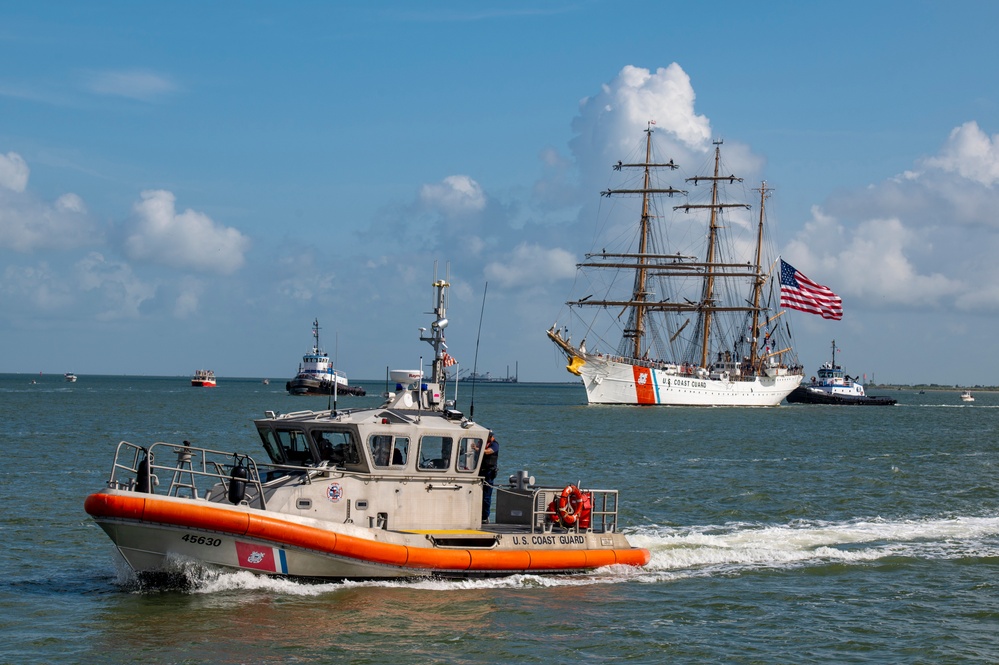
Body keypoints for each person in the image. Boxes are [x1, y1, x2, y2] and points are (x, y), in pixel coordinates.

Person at [479, 432, 499, 522]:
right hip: (481, 471)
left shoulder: (495, 445)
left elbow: (488, 452)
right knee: (479, 495)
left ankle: (485, 516)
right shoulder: (482, 443)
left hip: (489, 473)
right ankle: (479, 514)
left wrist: (478, 449)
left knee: (486, 496)